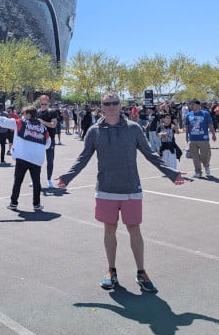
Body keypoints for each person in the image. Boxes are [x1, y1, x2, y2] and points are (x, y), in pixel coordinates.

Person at [56, 92, 185, 293]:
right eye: (107, 103)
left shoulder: (133, 129)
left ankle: (141, 272)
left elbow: (150, 153)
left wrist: (171, 173)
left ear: (120, 104)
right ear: (101, 106)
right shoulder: (94, 131)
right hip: (106, 189)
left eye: (115, 102)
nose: (111, 106)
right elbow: (83, 157)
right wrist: (67, 177)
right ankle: (111, 270)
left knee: (134, 228)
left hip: (131, 188)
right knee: (109, 228)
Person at [0, 105, 51, 211]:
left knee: (18, 181)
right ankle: (36, 204)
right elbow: (48, 144)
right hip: (36, 159)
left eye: (24, 113)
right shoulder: (43, 128)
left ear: (28, 114)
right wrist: (36, 147)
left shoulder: (21, 123)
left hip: (22, 157)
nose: (22, 115)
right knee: (36, 182)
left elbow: (4, 121)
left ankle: (13, 203)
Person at [184, 99, 217, 178]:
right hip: (192, 139)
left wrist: (213, 134)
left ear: (198, 105)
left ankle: (206, 165)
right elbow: (187, 126)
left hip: (203, 138)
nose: (191, 106)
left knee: (206, 155)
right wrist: (186, 137)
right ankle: (198, 171)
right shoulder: (188, 115)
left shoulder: (205, 113)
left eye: (193, 104)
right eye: (190, 105)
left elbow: (210, 124)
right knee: (195, 157)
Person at [37, 95, 59, 188]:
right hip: (38, 140)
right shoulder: (37, 112)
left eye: (45, 104)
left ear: (48, 103)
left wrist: (43, 122)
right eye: (42, 104)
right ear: (39, 103)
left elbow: (53, 125)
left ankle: (49, 179)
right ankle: (35, 179)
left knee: (50, 160)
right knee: (37, 160)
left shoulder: (52, 112)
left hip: (50, 139)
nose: (43, 106)